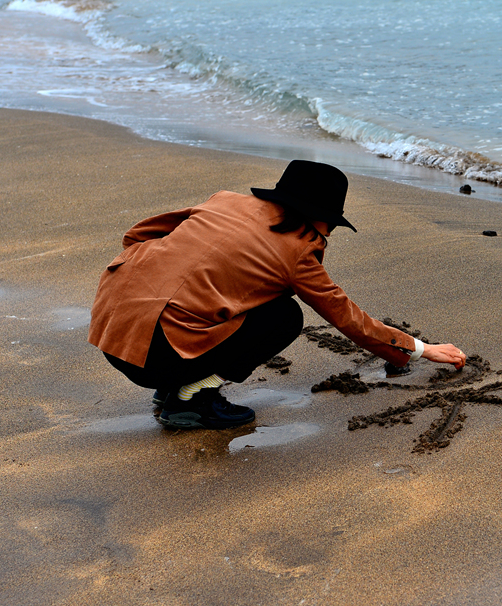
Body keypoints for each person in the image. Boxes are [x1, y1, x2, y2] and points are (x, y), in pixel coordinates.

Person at [88, 160, 467, 430]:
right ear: (316, 215)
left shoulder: (224, 200)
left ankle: (173, 385)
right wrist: (420, 349)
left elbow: (137, 236)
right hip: (155, 358)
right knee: (284, 317)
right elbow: (346, 317)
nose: (330, 233)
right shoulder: (298, 250)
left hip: (112, 332)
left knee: (224, 300)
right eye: (332, 223)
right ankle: (193, 397)